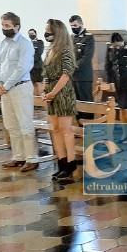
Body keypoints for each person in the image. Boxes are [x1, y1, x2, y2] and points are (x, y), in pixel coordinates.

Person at [0, 12, 39, 172]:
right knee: (11, 124)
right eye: (2, 25)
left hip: (20, 87)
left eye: (7, 26)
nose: (4, 28)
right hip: (5, 90)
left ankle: (32, 158)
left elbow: (22, 67)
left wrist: (6, 84)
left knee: (25, 123)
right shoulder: (3, 43)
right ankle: (18, 156)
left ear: (16, 26)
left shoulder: (24, 44)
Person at [41, 19, 78, 181]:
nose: (47, 33)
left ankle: (70, 163)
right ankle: (61, 162)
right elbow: (46, 74)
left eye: (49, 30)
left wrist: (53, 92)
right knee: (55, 128)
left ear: (58, 32)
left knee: (65, 129)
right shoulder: (50, 50)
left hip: (63, 93)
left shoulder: (66, 50)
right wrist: (44, 90)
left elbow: (66, 75)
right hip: (51, 93)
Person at [69, 15, 95, 120]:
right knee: (77, 101)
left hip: (84, 74)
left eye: (75, 25)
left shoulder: (88, 37)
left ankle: (88, 124)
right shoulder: (72, 37)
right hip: (74, 75)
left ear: (81, 24)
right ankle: (80, 124)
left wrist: (74, 65)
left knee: (86, 100)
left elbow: (87, 56)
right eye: (71, 26)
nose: (73, 27)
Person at [28, 28, 44, 95]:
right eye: (29, 34)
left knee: (38, 83)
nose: (31, 35)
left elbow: (38, 53)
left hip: (37, 66)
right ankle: (36, 101)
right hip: (30, 67)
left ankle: (40, 99)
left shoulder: (39, 42)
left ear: (35, 34)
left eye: (32, 33)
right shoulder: (28, 43)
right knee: (33, 83)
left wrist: (30, 60)